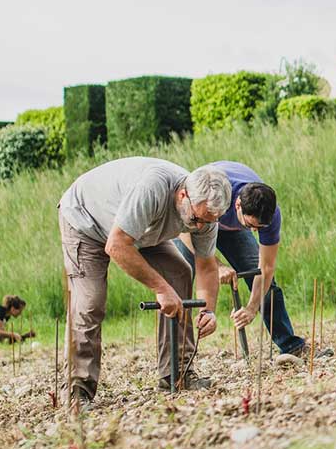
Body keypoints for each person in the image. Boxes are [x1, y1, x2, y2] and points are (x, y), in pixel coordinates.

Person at [58, 158, 231, 403]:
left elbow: (206, 266)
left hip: (138, 231)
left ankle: (177, 373)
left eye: (209, 221)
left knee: (179, 273)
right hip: (86, 221)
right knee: (90, 301)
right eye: (196, 220)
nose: (200, 226)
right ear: (183, 195)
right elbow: (117, 245)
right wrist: (160, 289)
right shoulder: (153, 188)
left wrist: (208, 310)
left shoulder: (205, 213)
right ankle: (78, 391)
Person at [173, 161, 311, 365]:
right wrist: (217, 266)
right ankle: (180, 362)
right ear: (237, 205)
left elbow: (266, 268)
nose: (255, 231)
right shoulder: (212, 197)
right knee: (181, 277)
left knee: (263, 281)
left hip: (231, 228)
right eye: (250, 226)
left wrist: (251, 308)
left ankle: (291, 345)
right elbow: (185, 232)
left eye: (259, 228)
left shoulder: (270, 216)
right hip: (195, 220)